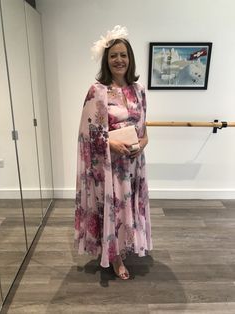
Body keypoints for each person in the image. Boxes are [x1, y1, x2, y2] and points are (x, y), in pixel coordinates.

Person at [74, 25, 152, 280]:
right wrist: (111, 143)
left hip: (133, 164)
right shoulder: (97, 91)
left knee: (129, 207)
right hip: (110, 167)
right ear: (106, 61)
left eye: (124, 55)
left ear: (130, 59)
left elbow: (145, 128)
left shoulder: (138, 90)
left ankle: (127, 243)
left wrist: (143, 143)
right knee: (115, 209)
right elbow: (88, 132)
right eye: (113, 56)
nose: (119, 60)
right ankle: (115, 255)